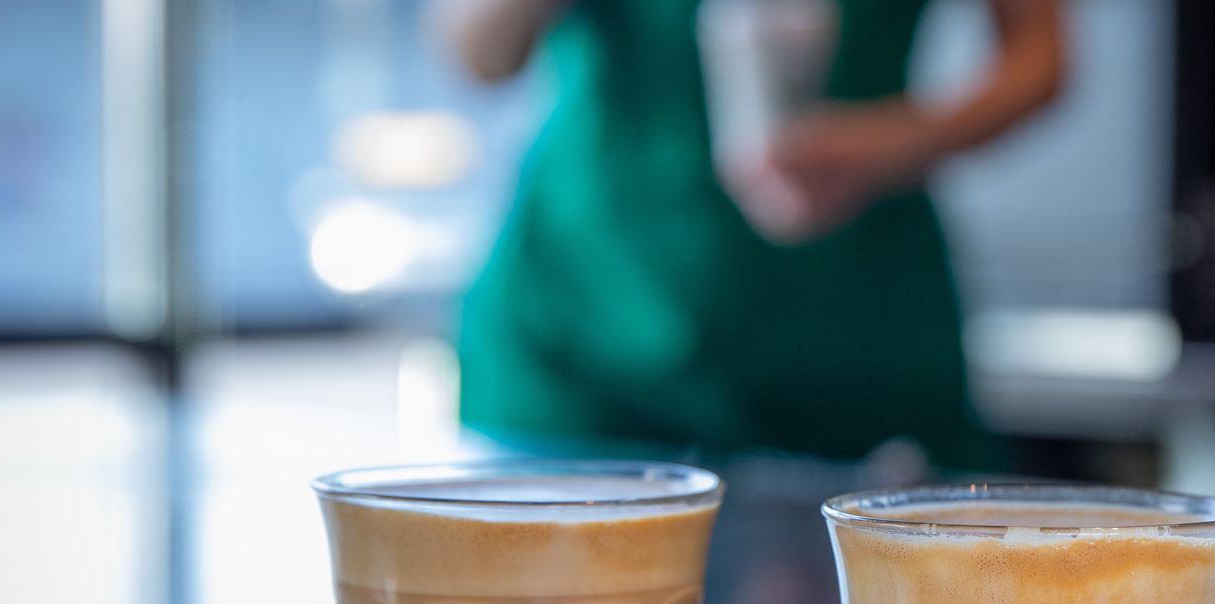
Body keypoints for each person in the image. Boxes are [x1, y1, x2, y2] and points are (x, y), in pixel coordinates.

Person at [439, 0, 1065, 467]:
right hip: (587, 310)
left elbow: (1038, 59)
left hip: (851, 318)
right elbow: (479, 53)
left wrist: (896, 143)